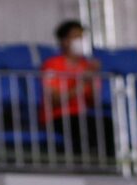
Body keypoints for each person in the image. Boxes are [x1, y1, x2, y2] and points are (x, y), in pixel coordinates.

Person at [40, 20, 102, 155]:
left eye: (82, 37)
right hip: (58, 116)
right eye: (76, 37)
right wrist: (82, 82)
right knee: (84, 127)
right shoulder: (53, 65)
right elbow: (55, 99)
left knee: (106, 125)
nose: (80, 40)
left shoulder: (87, 66)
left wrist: (92, 79)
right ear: (64, 41)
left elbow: (93, 100)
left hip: (82, 115)